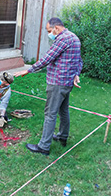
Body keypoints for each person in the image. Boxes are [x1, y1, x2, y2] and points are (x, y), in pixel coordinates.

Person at [14, 17, 83, 155]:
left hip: (57, 83)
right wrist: (76, 74)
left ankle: (43, 146)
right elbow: (79, 60)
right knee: (63, 110)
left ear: (57, 28)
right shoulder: (74, 37)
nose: (49, 33)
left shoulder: (63, 39)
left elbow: (48, 58)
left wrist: (28, 70)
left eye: (49, 30)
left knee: (50, 114)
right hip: (67, 82)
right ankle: (62, 137)